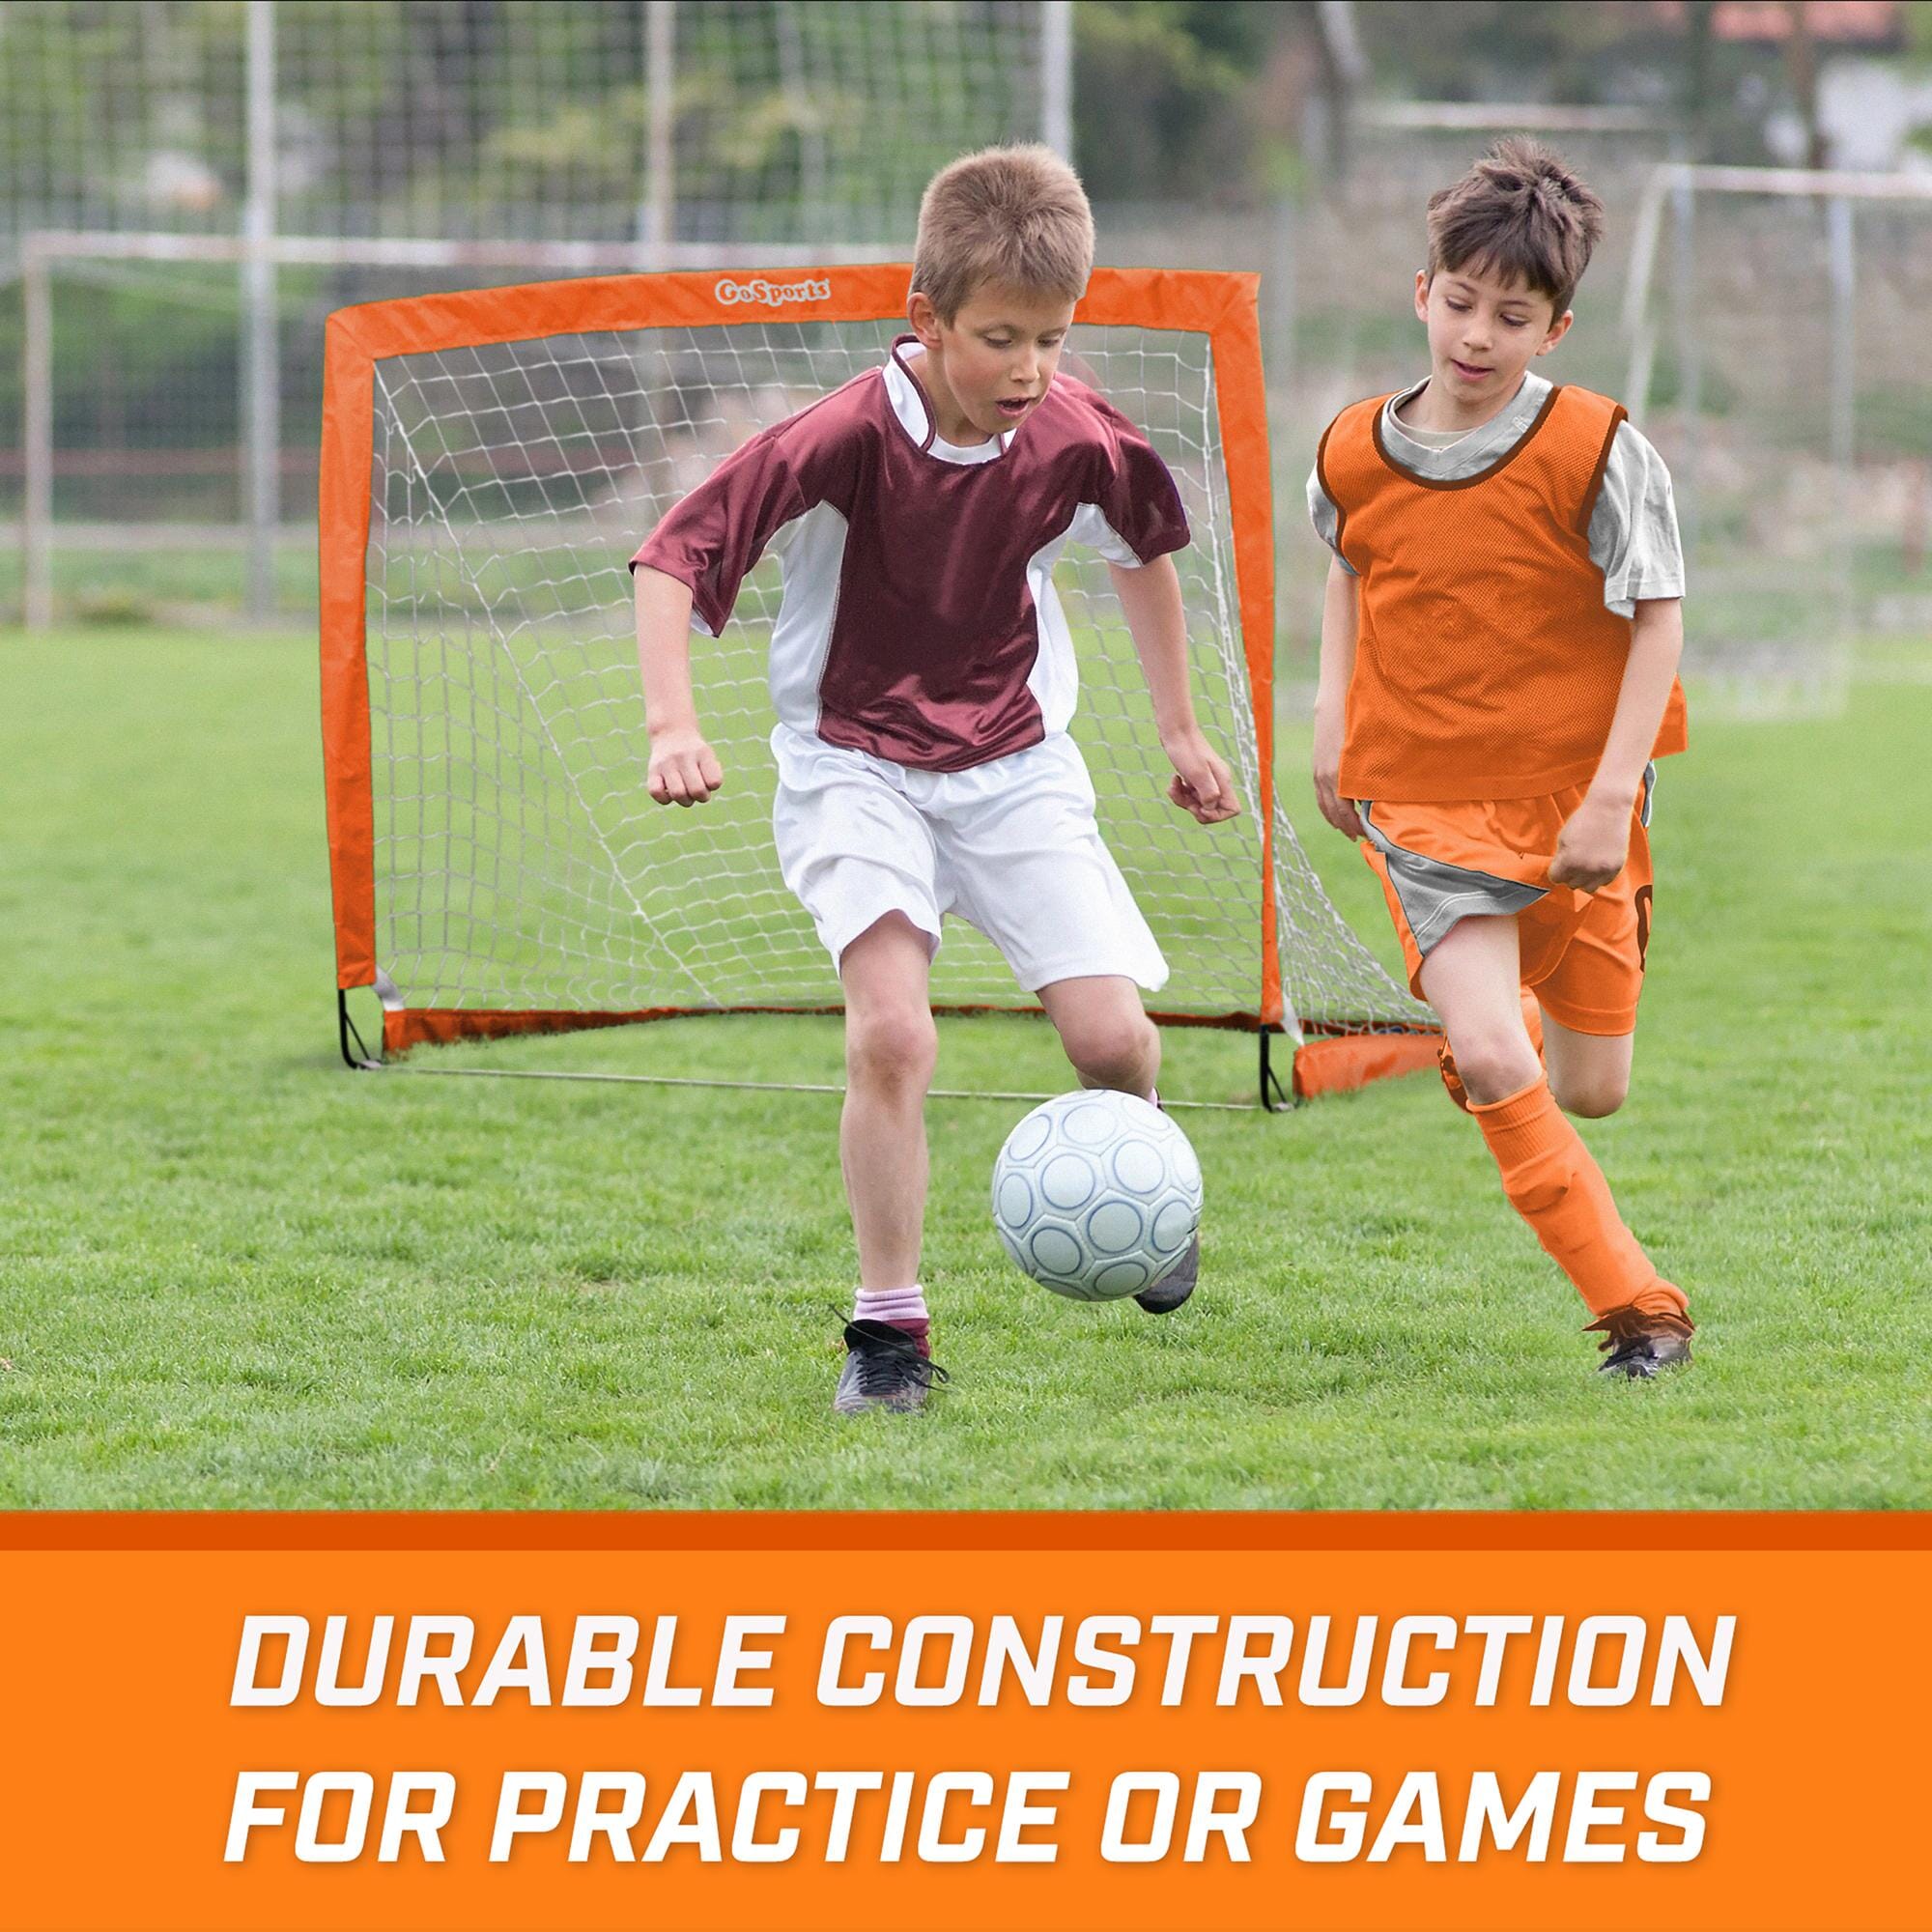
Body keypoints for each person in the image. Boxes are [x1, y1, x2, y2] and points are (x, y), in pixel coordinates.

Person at [631, 144, 1239, 1414]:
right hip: (853, 768)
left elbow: (1142, 547)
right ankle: (888, 1332)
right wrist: (670, 722)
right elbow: (671, 557)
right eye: (1001, 339)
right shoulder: (845, 434)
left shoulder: (1072, 432)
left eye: (1052, 340)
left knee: (1110, 1039)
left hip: (1014, 768)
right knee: (893, 1033)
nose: (1030, 369)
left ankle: (1149, 1183)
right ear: (928, 319)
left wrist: (1181, 730)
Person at [1308, 136, 1695, 1379]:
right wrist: (1330, 717)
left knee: (1590, 1088)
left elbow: (1657, 619)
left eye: (1511, 317)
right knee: (1488, 1053)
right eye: (1460, 303)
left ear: (1555, 328)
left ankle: (1503, 1007)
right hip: (1420, 797)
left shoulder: (1597, 448)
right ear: (1421, 292)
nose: (1476, 335)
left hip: (1577, 799)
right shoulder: (1352, 446)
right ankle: (1640, 1311)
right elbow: (1348, 566)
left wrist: (1607, 797)